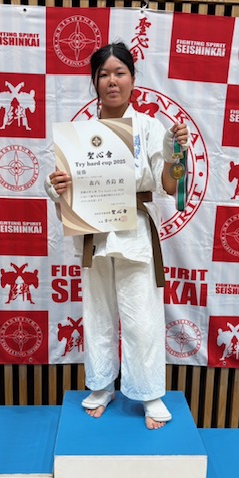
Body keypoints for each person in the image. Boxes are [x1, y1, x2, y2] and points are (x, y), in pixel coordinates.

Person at [46, 42, 189, 430]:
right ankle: (101, 385)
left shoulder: (150, 127)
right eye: (104, 74)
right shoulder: (79, 134)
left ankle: (149, 391)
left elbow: (167, 184)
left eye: (120, 73)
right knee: (98, 313)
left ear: (133, 80)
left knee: (141, 317)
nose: (112, 81)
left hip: (135, 231)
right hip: (93, 231)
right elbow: (63, 185)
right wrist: (56, 185)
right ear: (94, 82)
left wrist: (174, 155)